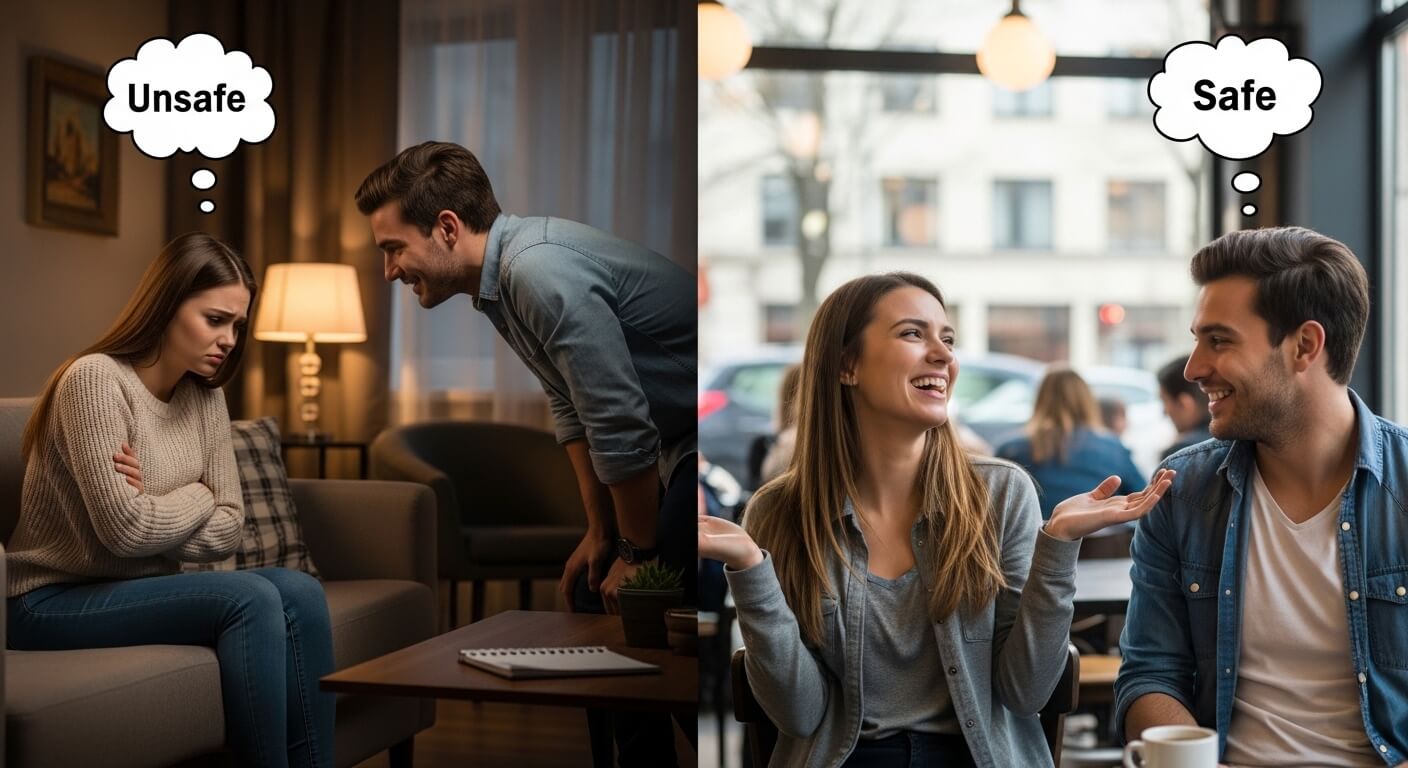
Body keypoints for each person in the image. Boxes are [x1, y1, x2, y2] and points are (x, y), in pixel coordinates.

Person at [698, 272, 1174, 768]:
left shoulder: (1001, 494)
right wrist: (751, 569)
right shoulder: (780, 510)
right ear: (846, 365)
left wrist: (1057, 545)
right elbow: (799, 715)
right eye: (912, 333)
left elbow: (1026, 692)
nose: (944, 356)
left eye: (947, 338)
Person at [355, 141, 695, 764]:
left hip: (690, 441)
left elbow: (620, 423)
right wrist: (600, 533)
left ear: (447, 228)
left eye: (392, 248)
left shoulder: (534, 270)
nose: (390, 271)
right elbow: (571, 406)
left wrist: (637, 551)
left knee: (654, 606)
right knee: (598, 588)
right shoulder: (502, 280)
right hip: (669, 442)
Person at [8, 233, 335, 768]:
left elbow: (231, 525)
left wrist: (162, 499)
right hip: (48, 600)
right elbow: (125, 531)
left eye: (237, 325)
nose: (229, 339)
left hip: (139, 586)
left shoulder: (206, 397)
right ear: (166, 306)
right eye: (215, 320)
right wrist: (199, 494)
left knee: (298, 590)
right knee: (249, 597)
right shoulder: (94, 381)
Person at [1115, 227, 1408, 766]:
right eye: (1197, 339)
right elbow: (1150, 674)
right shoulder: (1182, 491)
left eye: (1219, 341)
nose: (1192, 368)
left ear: (1304, 346)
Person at [996, 368, 1147, 519]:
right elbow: (1142, 496)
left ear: (1040, 399)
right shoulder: (1113, 447)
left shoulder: (1010, 449)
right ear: (1087, 401)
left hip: (1037, 540)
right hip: (1105, 540)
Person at [1156, 354, 1212, 459]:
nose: (1165, 412)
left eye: (1165, 401)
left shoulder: (1181, 454)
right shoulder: (1238, 444)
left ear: (1185, 403)